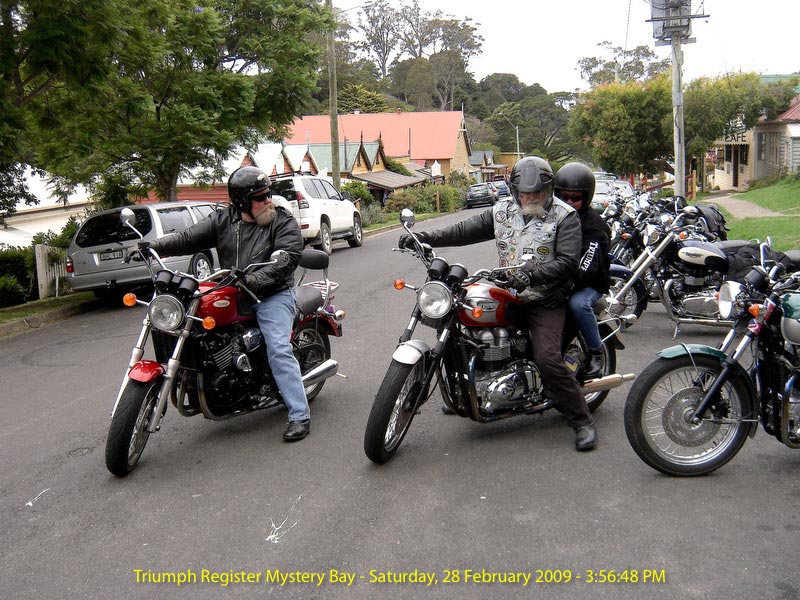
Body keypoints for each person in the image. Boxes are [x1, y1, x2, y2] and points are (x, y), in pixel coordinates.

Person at [399, 156, 597, 451]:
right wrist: (424, 237)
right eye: (525, 193)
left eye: (538, 193)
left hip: (544, 298)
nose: (531, 198)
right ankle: (464, 394)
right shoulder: (501, 211)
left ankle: (582, 421)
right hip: (506, 290)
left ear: (548, 190)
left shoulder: (564, 216)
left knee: (547, 358)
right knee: (460, 328)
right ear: (515, 191)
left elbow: (569, 260)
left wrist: (533, 275)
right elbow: (464, 230)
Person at [142, 166, 311, 442]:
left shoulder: (282, 220)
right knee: (197, 328)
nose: (268, 200)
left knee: (278, 349)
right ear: (242, 201)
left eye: (268, 194)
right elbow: (188, 238)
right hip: (232, 290)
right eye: (260, 196)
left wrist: (256, 279)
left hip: (271, 294)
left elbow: (288, 257)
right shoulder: (223, 220)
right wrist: (153, 246)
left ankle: (299, 415)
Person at [554, 162, 611, 380]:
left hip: (589, 283)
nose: (569, 202)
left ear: (586, 198)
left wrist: (568, 287)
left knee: (577, 304)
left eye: (576, 198)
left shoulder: (594, 225)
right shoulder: (555, 218)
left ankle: (596, 352)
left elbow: (588, 264)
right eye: (564, 197)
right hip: (562, 280)